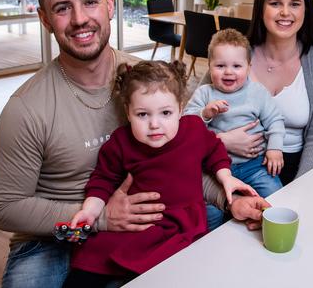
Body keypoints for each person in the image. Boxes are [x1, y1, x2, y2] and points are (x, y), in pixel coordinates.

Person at [0, 0, 269, 288]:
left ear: (109, 4)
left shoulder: (149, 83)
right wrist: (103, 217)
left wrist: (229, 199)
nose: (80, 19)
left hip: (152, 217)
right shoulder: (26, 109)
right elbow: (4, 207)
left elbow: (181, 161)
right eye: (62, 8)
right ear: (45, 19)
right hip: (52, 235)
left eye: (90, 2)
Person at [62, 60, 255, 286]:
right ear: (128, 112)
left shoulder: (193, 129)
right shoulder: (121, 142)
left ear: (180, 109)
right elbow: (102, 179)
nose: (155, 124)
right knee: (86, 268)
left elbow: (215, 150)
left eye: (165, 113)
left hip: (179, 229)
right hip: (134, 227)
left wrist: (225, 176)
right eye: (143, 115)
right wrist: (90, 210)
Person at [210, 0, 313, 186]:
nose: (285, 12)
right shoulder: (234, 55)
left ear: (306, 11)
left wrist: (297, 193)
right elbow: (192, 124)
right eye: (275, 3)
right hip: (227, 168)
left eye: (294, 4)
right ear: (261, 9)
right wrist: (222, 141)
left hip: (293, 172)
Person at [185, 29, 285, 229]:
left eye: (236, 66)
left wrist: (275, 148)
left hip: (254, 165)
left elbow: (275, 120)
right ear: (209, 65)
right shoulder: (205, 93)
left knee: (274, 191)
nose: (228, 72)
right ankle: (210, 239)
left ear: (248, 67)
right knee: (210, 211)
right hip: (215, 171)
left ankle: (264, 224)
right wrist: (204, 114)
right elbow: (185, 126)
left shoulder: (257, 92)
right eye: (220, 65)